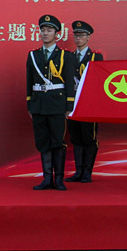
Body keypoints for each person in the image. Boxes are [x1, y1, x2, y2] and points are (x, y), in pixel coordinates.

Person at [26, 14, 79, 191]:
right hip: (39, 105)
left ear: (57, 34)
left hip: (57, 105)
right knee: (43, 142)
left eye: (49, 30)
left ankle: (59, 179)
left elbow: (69, 83)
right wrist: (30, 104)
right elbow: (29, 81)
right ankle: (47, 179)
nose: (45, 33)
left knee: (57, 142)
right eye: (43, 30)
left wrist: (69, 106)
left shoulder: (65, 56)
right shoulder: (33, 55)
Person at [66, 20, 104, 183]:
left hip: (89, 105)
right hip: (73, 104)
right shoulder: (68, 57)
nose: (78, 38)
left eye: (82, 35)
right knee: (76, 137)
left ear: (88, 37)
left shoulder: (95, 56)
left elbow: (100, 81)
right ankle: (78, 171)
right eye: (76, 35)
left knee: (89, 137)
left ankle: (87, 172)